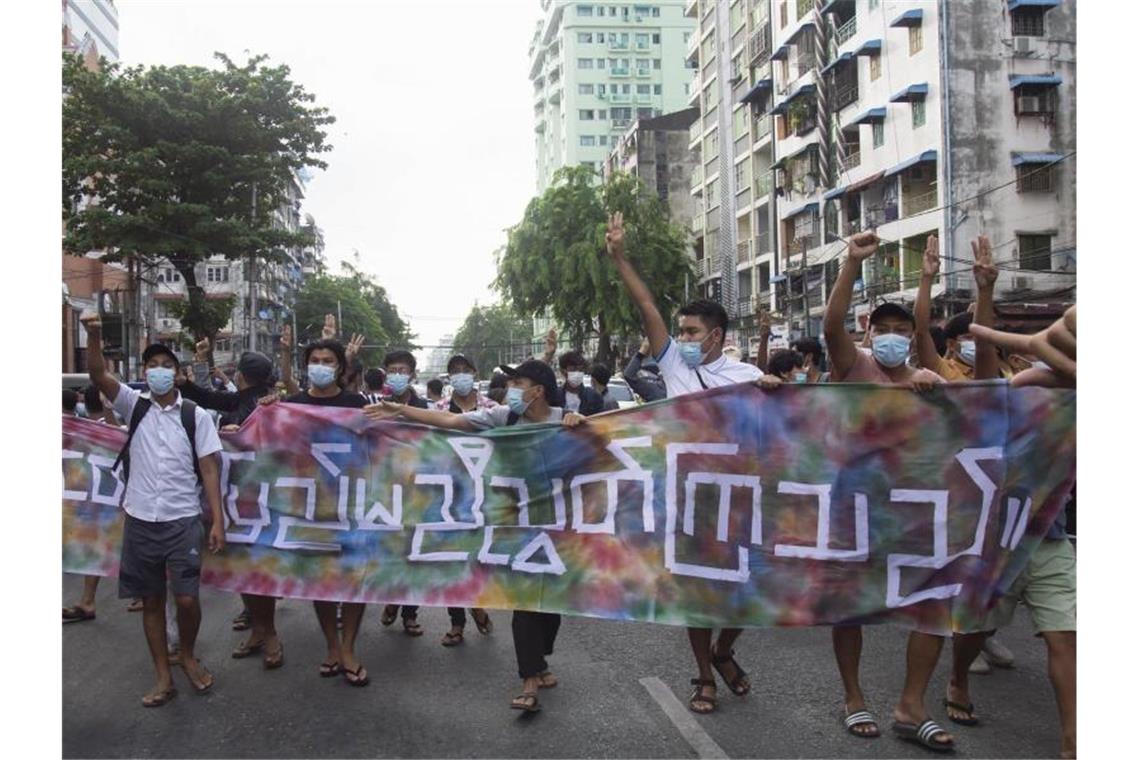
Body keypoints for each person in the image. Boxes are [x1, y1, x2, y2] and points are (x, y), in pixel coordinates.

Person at [602, 211, 780, 715]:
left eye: (691, 330)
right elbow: (646, 306)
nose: (681, 336)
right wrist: (619, 257)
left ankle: (726, 651)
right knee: (698, 594)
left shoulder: (747, 373)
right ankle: (703, 675)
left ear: (717, 334)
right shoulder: (675, 365)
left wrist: (775, 393)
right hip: (689, 501)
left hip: (743, 499)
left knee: (750, 589)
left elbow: (781, 432)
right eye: (679, 330)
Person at [364, 359, 586, 713]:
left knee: (551, 603)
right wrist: (400, 411)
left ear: (538, 390)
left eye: (518, 382)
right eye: (510, 382)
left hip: (559, 526)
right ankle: (528, 680)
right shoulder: (503, 417)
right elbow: (450, 421)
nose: (511, 388)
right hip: (513, 523)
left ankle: (540, 661)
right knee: (525, 600)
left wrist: (581, 429)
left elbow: (601, 455)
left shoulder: (566, 418)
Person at [823, 232, 950, 749]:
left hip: (914, 505)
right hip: (853, 503)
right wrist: (851, 264)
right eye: (885, 329)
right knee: (850, 605)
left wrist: (932, 391)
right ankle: (853, 698)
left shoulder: (927, 376)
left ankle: (911, 705)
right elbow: (831, 324)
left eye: (904, 330)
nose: (894, 337)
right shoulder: (852, 364)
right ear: (869, 333)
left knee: (935, 605)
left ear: (914, 336)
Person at [80, 314, 226, 708]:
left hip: (183, 519)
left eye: (166, 366)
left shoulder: (194, 415)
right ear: (144, 373)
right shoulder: (134, 405)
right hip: (141, 518)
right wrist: (93, 335)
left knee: (186, 600)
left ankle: (188, 654)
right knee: (151, 600)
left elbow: (210, 467)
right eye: (152, 366)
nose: (159, 372)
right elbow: (97, 374)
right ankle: (163, 675)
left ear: (177, 374)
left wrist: (218, 518)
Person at [262, 338, 372, 686]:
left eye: (328, 360)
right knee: (320, 581)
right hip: (308, 507)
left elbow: (378, 444)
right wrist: (253, 422)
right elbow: (272, 445)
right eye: (315, 359)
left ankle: (350, 648)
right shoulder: (293, 404)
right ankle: (332, 647)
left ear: (340, 367)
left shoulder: (356, 404)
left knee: (353, 580)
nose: (321, 365)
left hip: (351, 504)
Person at [175, 342, 284, 668]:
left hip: (259, 500)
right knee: (245, 570)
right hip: (240, 500)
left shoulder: (270, 405)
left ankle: (270, 633)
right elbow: (209, 399)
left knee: (257, 569)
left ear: (241, 375)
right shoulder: (245, 400)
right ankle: (259, 630)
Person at [377, 349, 428, 636]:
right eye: (392, 369)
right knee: (389, 552)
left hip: (417, 488)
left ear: (412, 374)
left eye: (403, 370)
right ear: (385, 373)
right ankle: (391, 599)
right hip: (383, 488)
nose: (398, 374)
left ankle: (409, 612)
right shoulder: (373, 403)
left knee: (413, 554)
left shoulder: (426, 406)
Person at [552, 349, 605, 415]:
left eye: (580, 370)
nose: (577, 373)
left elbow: (599, 421)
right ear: (563, 371)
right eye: (573, 369)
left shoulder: (593, 397)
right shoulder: (555, 396)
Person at [622, 338, 666, 402]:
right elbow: (629, 375)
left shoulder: (658, 390)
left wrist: (642, 352)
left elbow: (629, 375)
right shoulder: (658, 388)